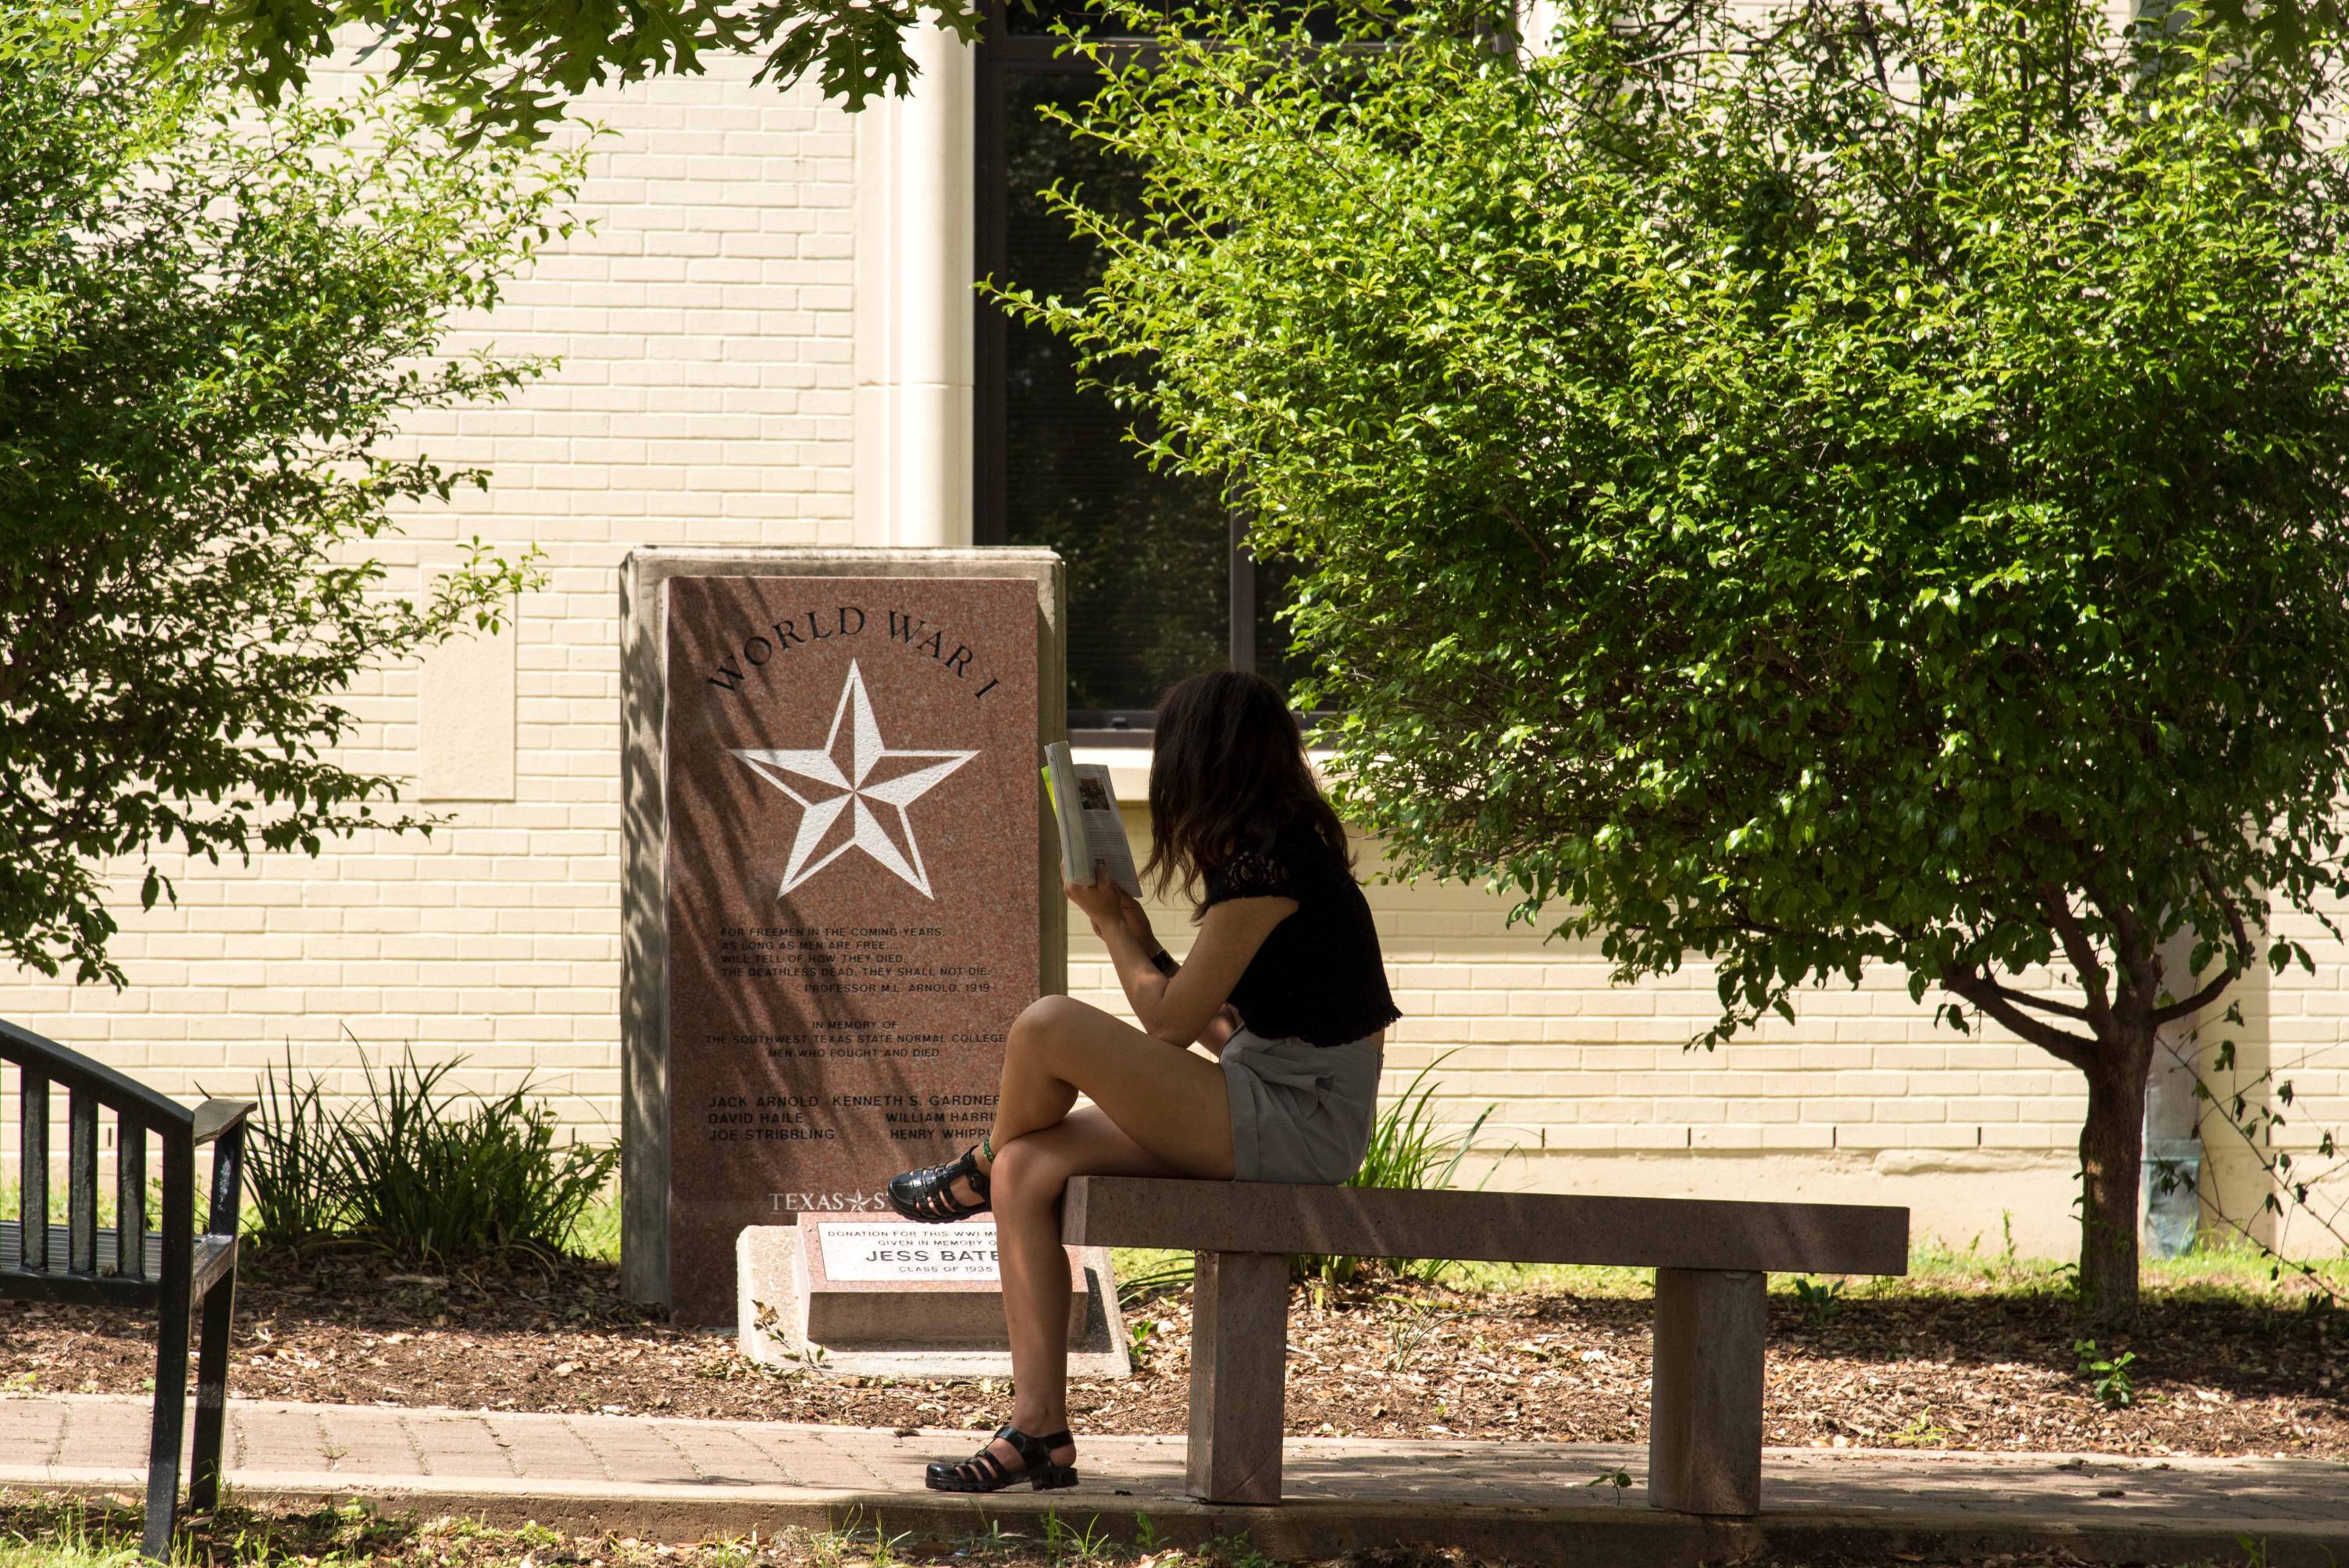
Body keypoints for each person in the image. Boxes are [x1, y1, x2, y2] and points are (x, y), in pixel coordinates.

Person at [884, 669, 1402, 1494]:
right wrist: (1135, 935)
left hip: (1297, 1120)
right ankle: (1038, 1429)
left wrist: (1104, 926)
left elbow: (1163, 1025)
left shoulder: (1270, 865)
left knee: (1048, 1023)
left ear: (1201, 759)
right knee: (1030, 1168)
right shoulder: (1269, 856)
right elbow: (1220, 1026)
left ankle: (974, 1163)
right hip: (1258, 1093)